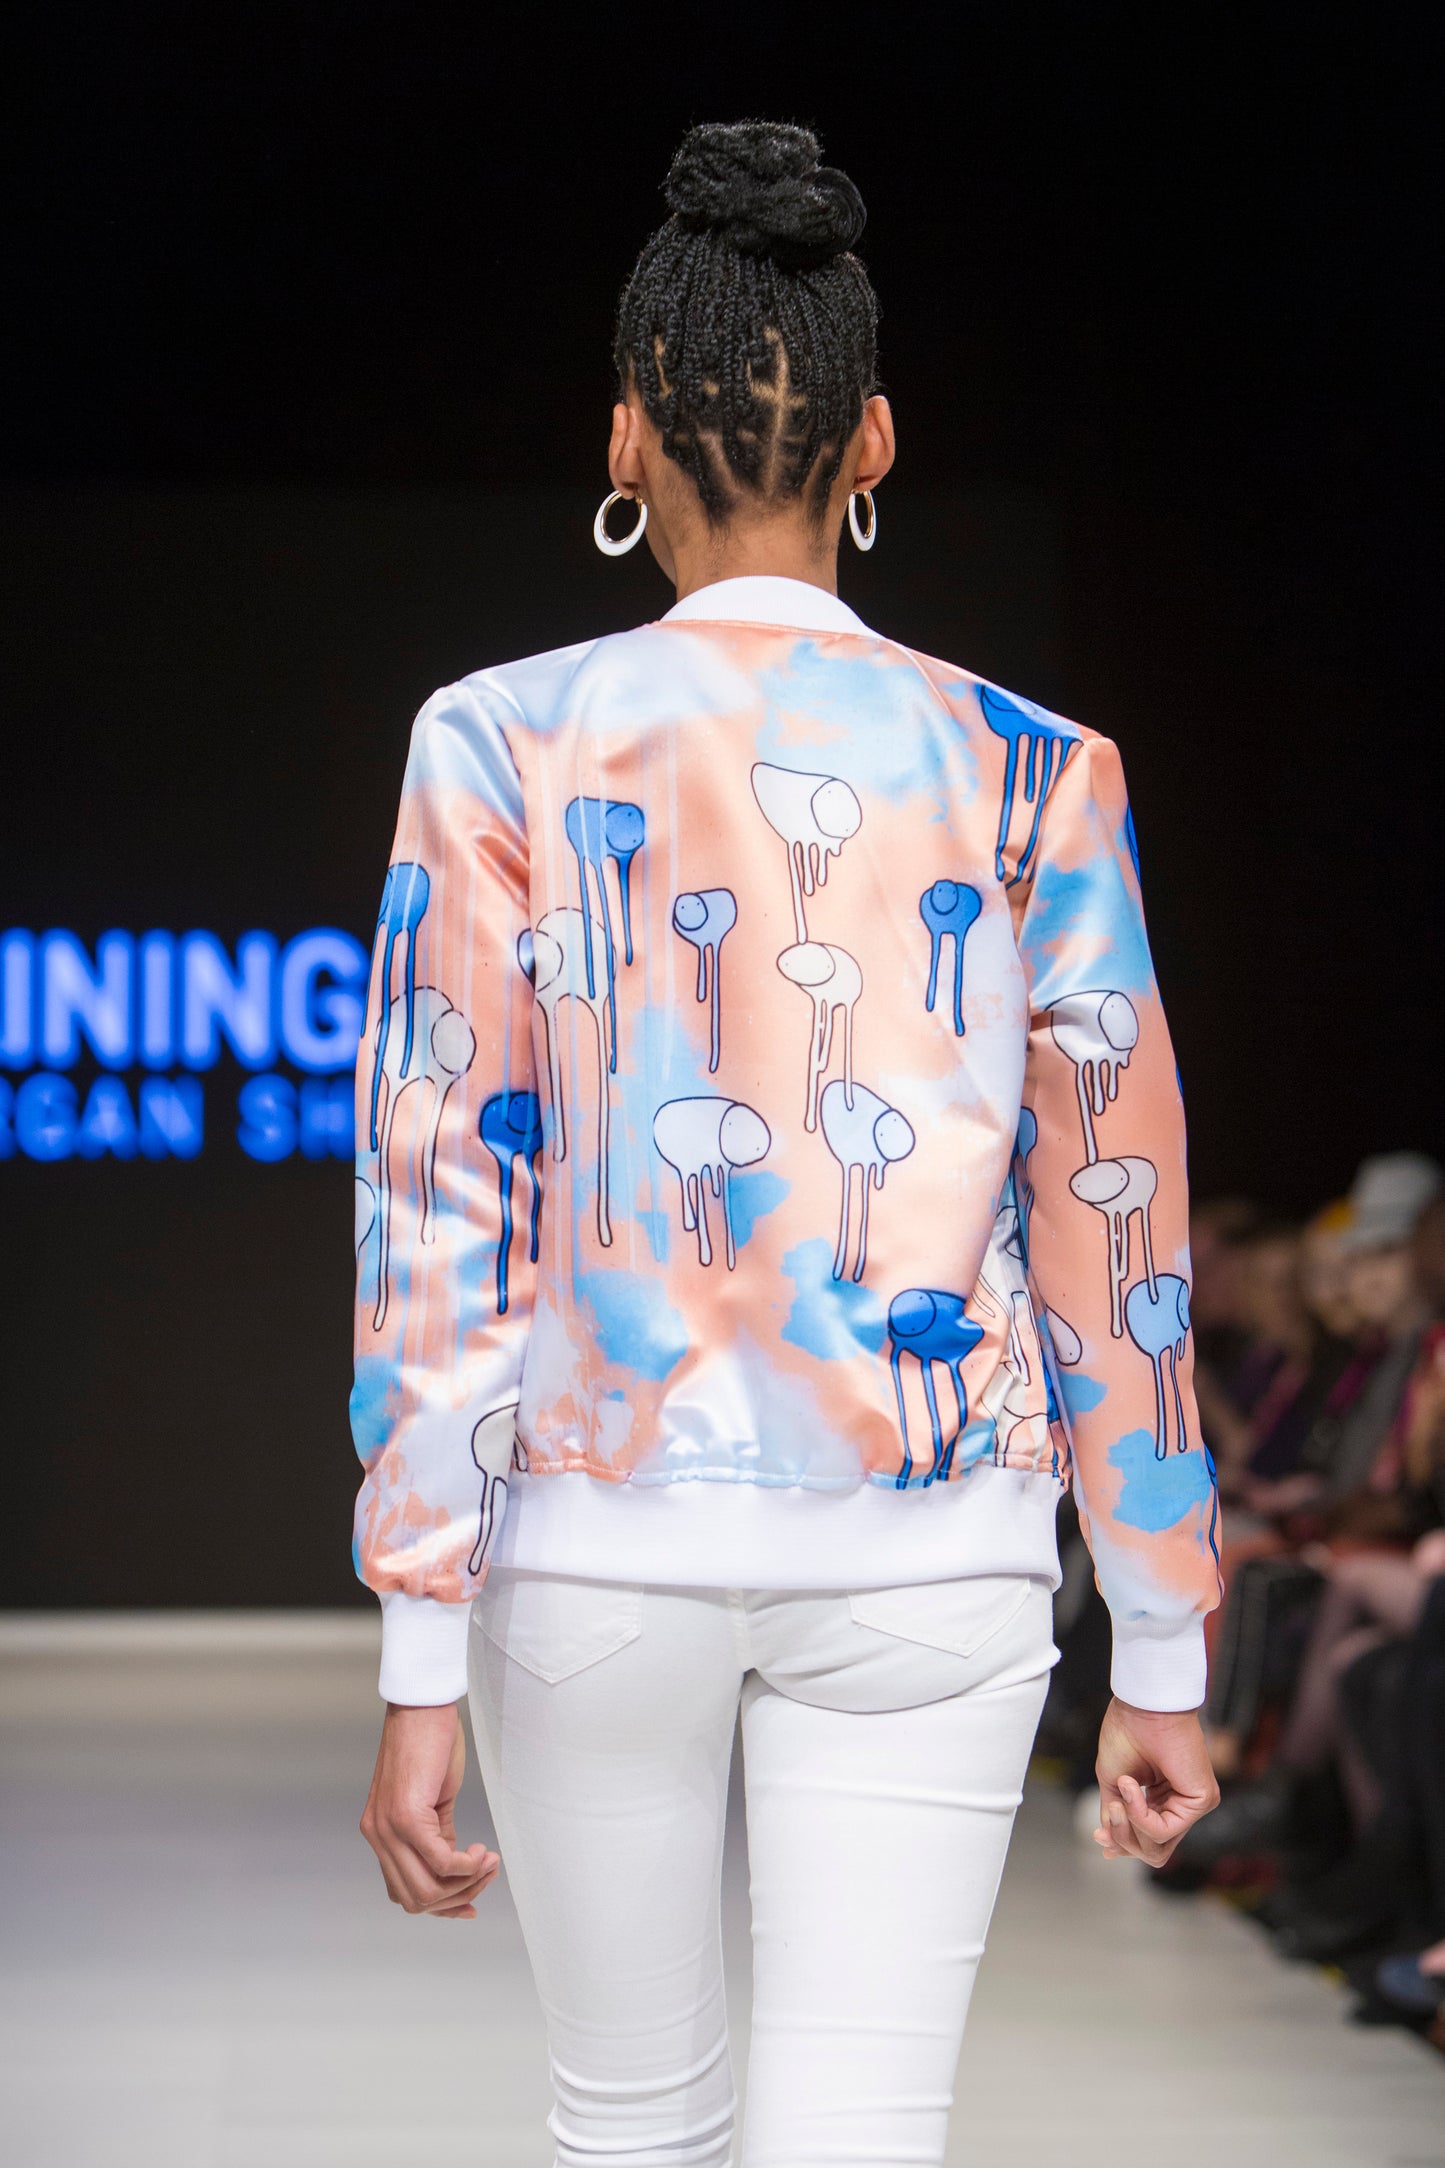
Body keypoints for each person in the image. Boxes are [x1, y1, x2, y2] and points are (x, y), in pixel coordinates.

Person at [350, 120, 1220, 2167]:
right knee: (863, 2139)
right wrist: (1164, 1634)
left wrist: (416, 1634)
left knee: (628, 2126)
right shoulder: (1037, 770)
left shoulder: (495, 738)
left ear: (625, 438)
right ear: (875, 443)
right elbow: (1118, 1220)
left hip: (592, 1548)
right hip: (940, 1551)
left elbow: (441, 1190)